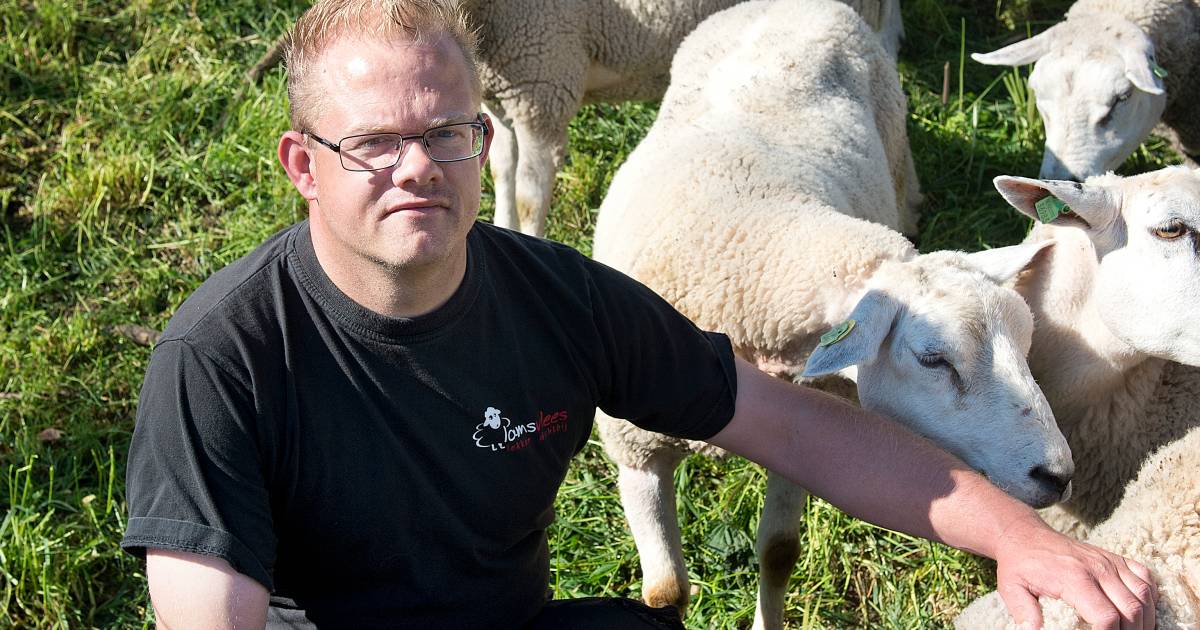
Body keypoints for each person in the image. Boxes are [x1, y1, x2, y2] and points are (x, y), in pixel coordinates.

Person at [120, 0, 1158, 628]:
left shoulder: (552, 296)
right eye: (374, 142)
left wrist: (1025, 539)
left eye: (448, 132)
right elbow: (213, 616)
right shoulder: (226, 358)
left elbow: (798, 427)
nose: (418, 170)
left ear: (487, 138)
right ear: (303, 164)